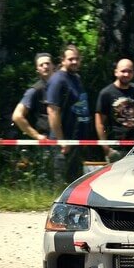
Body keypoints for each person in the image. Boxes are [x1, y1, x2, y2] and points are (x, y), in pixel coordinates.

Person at [46, 44, 92, 182]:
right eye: (71, 59)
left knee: (75, 183)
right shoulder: (57, 80)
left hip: (76, 140)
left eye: (77, 59)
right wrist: (61, 140)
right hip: (63, 143)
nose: (74, 62)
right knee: (60, 185)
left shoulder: (76, 78)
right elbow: (52, 111)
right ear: (62, 60)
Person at [95, 58, 134, 162]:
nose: (126, 74)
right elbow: (99, 123)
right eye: (123, 71)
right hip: (116, 149)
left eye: (129, 71)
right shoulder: (106, 93)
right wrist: (106, 149)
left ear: (133, 73)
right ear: (116, 72)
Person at [11, 52, 54, 140]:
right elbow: (17, 116)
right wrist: (37, 136)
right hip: (48, 143)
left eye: (47, 63)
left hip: (68, 140)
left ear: (53, 66)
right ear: (37, 69)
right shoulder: (34, 91)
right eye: (41, 65)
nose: (45, 66)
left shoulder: (63, 87)